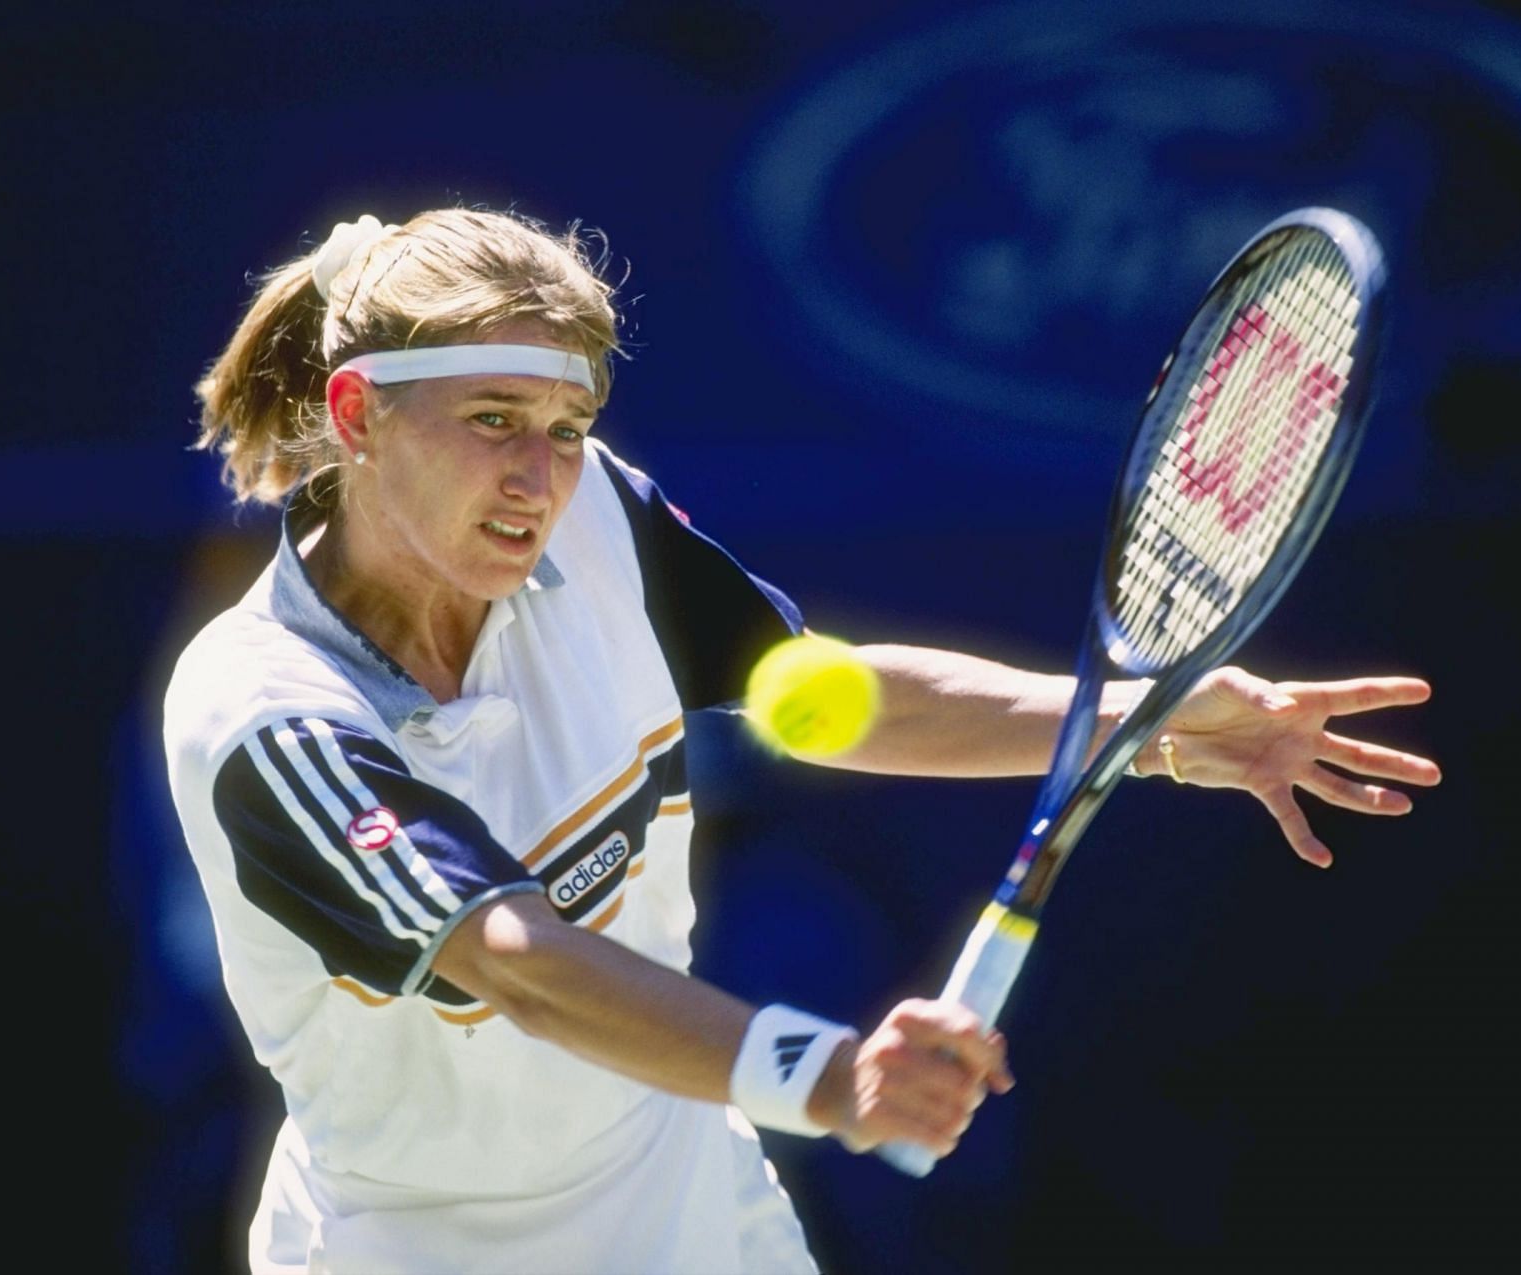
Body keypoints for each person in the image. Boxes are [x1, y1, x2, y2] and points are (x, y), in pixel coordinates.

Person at [163, 208, 1439, 1274]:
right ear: (359, 414)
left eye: (564, 427)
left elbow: (815, 694)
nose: (539, 479)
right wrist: (825, 1077)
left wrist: (1143, 726)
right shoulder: (267, 714)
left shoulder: (596, 520)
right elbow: (516, 961)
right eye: (492, 418)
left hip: (696, 1214)